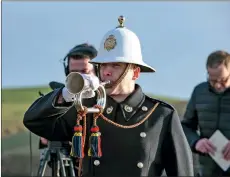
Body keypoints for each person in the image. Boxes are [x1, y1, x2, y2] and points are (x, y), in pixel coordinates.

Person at [24, 16, 193, 176]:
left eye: (116, 65)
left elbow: (181, 172)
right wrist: (66, 94)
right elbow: (34, 121)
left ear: (135, 73)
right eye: (103, 65)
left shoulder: (161, 114)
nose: (106, 72)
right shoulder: (85, 109)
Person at [38, 43, 97, 174]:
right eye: (73, 73)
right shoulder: (62, 99)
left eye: (85, 72)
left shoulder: (105, 102)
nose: (79, 78)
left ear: (97, 71)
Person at [181, 50, 230, 176]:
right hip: (207, 170)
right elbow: (185, 126)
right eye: (213, 80)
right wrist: (196, 142)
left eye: (223, 80)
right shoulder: (199, 91)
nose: (218, 85)